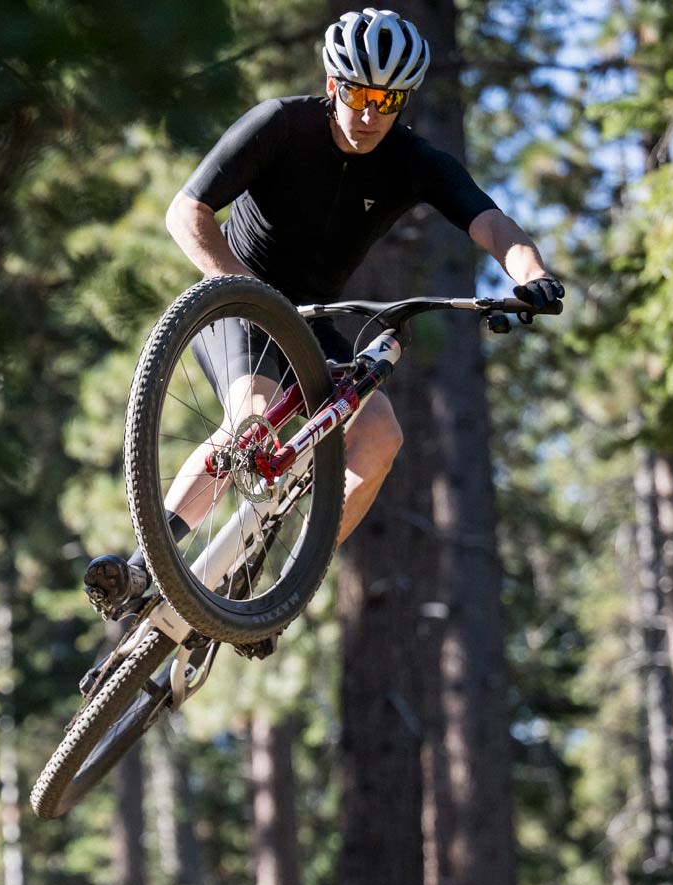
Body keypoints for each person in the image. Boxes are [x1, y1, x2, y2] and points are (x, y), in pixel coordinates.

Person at [83, 7, 563, 653]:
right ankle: (150, 562)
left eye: (387, 101)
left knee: (380, 434)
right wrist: (242, 288)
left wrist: (531, 273)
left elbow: (491, 223)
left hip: (314, 318)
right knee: (252, 414)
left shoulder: (412, 160)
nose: (369, 114)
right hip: (239, 298)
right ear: (334, 84)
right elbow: (186, 211)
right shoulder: (282, 124)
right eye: (359, 95)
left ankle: (281, 582)